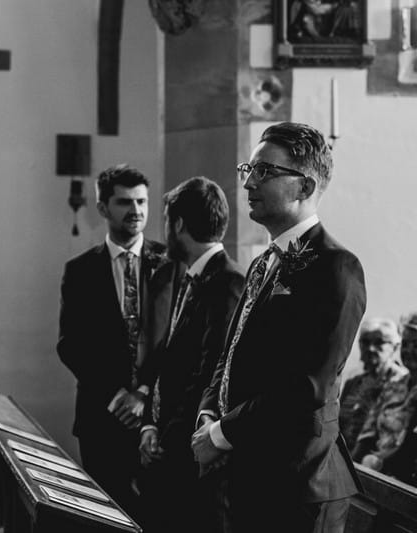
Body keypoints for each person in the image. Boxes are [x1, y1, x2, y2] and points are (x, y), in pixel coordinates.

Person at [192, 122, 366, 533]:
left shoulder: (336, 267)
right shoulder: (263, 262)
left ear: (304, 188)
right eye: (247, 170)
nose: (249, 182)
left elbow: (308, 385)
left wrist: (221, 433)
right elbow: (231, 351)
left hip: (300, 484)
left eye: (264, 172)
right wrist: (207, 412)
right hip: (250, 472)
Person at [57, 164, 182, 517]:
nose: (137, 211)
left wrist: (143, 393)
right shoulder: (80, 270)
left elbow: (177, 339)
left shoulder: (169, 264)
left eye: (142, 202)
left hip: (157, 413)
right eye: (125, 202)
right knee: (109, 516)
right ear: (103, 208)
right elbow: (71, 344)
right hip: (101, 415)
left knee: (156, 514)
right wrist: (117, 396)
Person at [138, 176, 244, 533]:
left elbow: (209, 371)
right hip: (167, 441)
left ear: (178, 223)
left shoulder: (227, 283)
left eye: (167, 220)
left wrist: (165, 443)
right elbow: (168, 361)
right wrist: (149, 425)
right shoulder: (190, 277)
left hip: (189, 457)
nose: (164, 228)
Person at [353, 312, 417, 486]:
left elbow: (409, 446)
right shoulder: (395, 384)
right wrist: (352, 468)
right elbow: (368, 432)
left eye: (416, 345)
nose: (409, 351)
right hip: (374, 470)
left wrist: (376, 463)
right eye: (406, 344)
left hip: (400, 480)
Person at [339, 317, 407, 450]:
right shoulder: (353, 382)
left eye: (379, 342)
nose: (370, 348)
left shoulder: (401, 382)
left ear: (394, 347)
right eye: (365, 342)